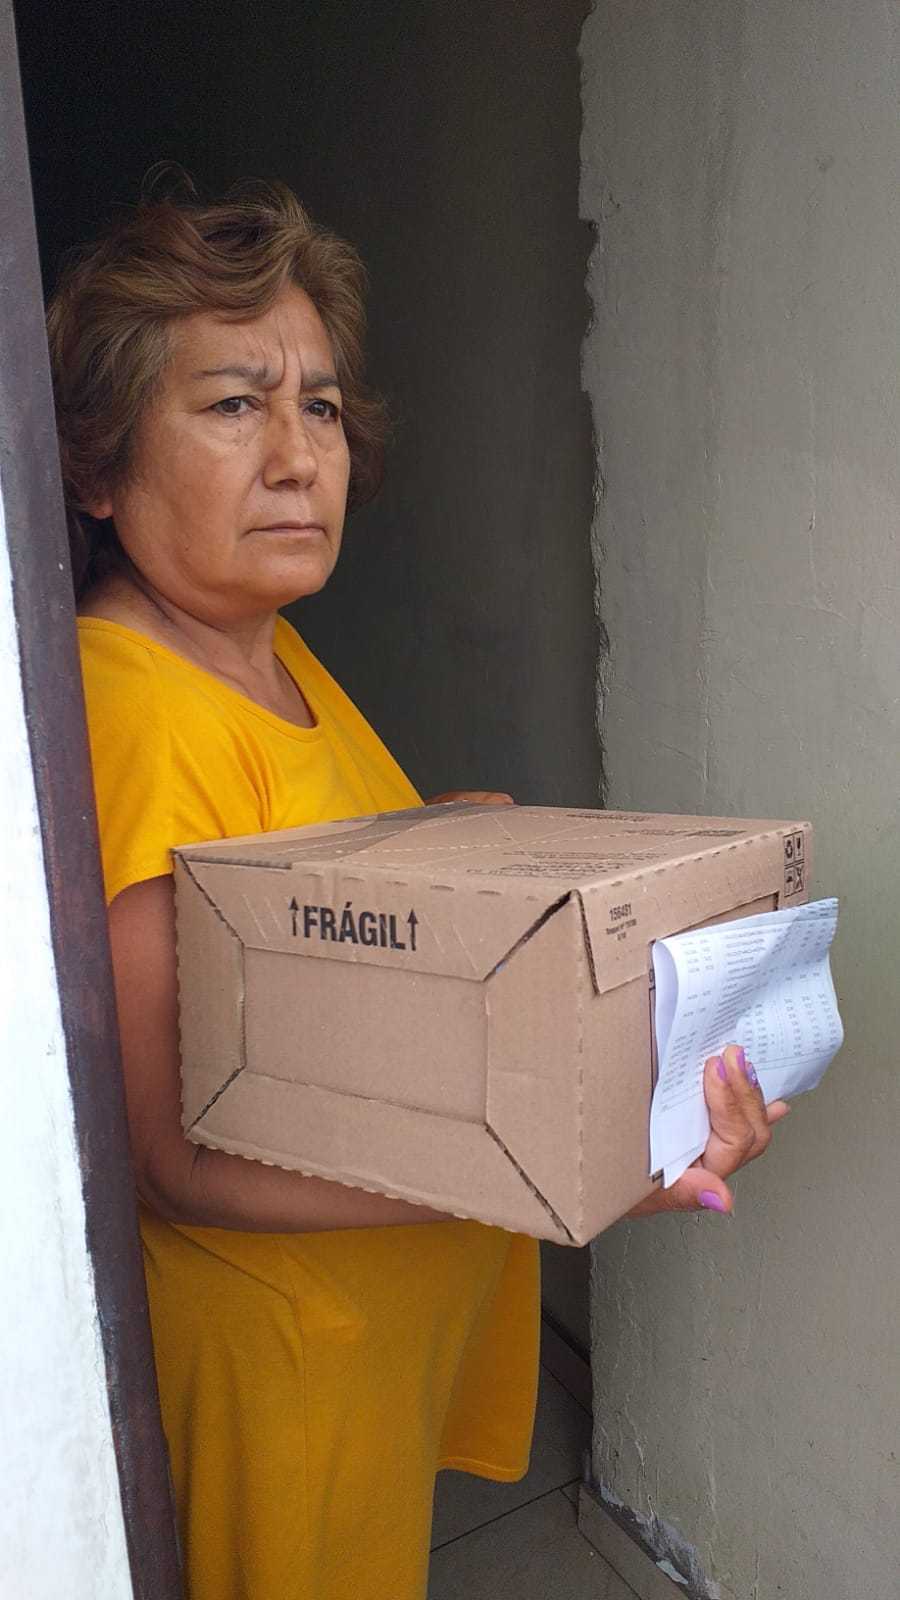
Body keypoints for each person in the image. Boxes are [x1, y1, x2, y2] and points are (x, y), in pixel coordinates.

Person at [47, 180, 788, 1600]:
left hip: (360, 1336)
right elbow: (180, 1157)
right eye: (232, 404)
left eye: (320, 406)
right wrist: (577, 1163)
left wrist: (428, 845)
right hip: (281, 1365)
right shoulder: (128, 705)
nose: (297, 458)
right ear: (96, 465)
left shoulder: (259, 647)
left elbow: (289, 887)